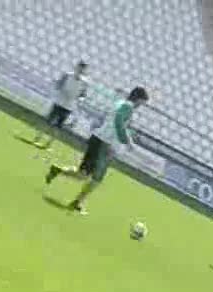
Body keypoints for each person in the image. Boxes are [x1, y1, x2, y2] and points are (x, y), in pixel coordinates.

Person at [44, 86, 149, 215]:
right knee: (96, 179)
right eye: (141, 103)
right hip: (104, 144)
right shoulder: (128, 107)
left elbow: (117, 122)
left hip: (98, 139)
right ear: (138, 99)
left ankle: (58, 171)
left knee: (83, 175)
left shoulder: (121, 103)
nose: (140, 106)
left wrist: (127, 138)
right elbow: (118, 122)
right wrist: (125, 140)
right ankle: (77, 202)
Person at [33, 61, 89, 149]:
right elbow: (58, 85)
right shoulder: (67, 75)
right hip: (59, 102)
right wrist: (60, 90)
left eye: (82, 69)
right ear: (76, 67)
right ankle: (38, 138)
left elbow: (83, 95)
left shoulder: (84, 83)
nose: (80, 70)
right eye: (79, 68)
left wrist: (79, 99)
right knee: (49, 121)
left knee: (58, 126)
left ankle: (49, 144)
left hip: (69, 107)